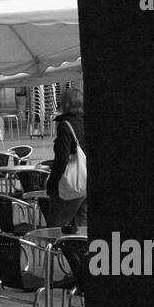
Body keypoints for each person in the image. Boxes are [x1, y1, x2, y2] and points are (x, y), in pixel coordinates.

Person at [45, 85, 87, 230]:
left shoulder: (65, 126)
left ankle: (54, 252)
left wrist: (52, 183)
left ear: (65, 104)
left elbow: (61, 160)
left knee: (55, 228)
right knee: (83, 228)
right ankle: (81, 252)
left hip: (70, 186)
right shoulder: (86, 122)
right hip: (86, 183)